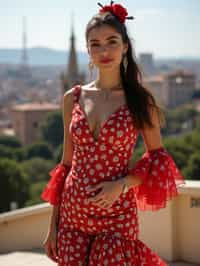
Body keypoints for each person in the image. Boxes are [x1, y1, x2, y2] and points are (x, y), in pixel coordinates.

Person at [41, 1, 185, 265]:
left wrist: (121, 184)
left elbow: (158, 160)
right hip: (72, 220)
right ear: (87, 50)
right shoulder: (72, 98)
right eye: (95, 44)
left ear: (125, 47)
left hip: (116, 219)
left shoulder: (140, 101)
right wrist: (53, 227)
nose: (104, 50)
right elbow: (66, 165)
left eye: (111, 41)